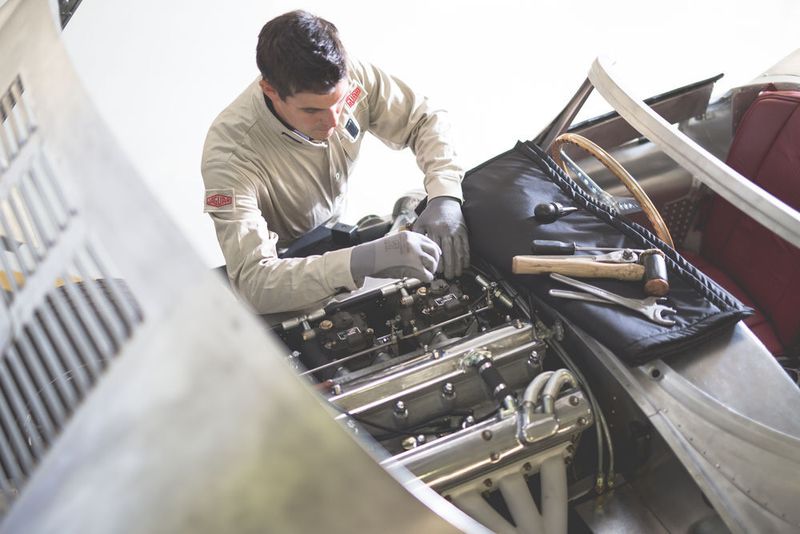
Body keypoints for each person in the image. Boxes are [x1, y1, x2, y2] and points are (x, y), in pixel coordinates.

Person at [201, 10, 469, 314]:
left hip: (333, 231)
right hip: (289, 270)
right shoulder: (229, 157)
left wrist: (445, 194)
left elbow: (425, 119)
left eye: (339, 102)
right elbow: (254, 283)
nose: (332, 121)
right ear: (270, 91)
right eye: (312, 110)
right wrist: (361, 261)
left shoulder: (350, 73)